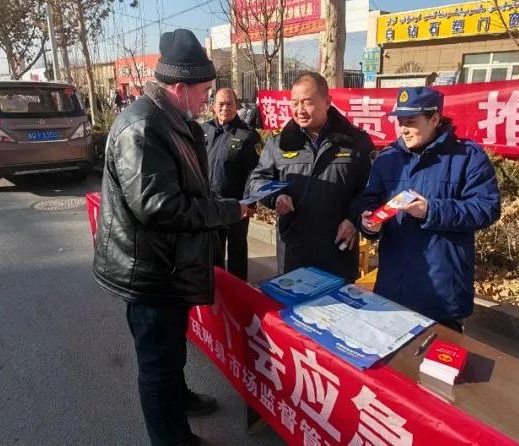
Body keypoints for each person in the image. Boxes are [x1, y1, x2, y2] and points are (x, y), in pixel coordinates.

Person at [92, 29, 250, 446]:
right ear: (179, 89)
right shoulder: (144, 127)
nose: (207, 101)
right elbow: (159, 207)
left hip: (168, 265)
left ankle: (178, 397)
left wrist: (222, 202)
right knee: (157, 363)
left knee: (171, 346)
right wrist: (228, 211)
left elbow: (188, 186)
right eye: (204, 93)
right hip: (150, 271)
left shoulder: (172, 120)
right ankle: (170, 437)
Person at [358, 87, 500, 332]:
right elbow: (369, 200)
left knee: (436, 355)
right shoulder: (388, 158)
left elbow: (487, 208)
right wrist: (369, 222)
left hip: (441, 289)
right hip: (393, 283)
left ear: (434, 119)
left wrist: (432, 210)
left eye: (411, 122)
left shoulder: (467, 156)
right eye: (400, 122)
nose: (403, 129)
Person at [246, 72, 374, 282]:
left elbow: (370, 189)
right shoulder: (279, 144)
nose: (299, 110)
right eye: (295, 103)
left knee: (335, 302)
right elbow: (256, 181)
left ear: (327, 102)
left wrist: (353, 219)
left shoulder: (356, 142)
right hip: (294, 250)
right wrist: (275, 197)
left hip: (338, 249)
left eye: (307, 102)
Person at [201, 88, 262, 280]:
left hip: (237, 205)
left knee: (237, 250)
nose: (225, 108)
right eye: (221, 104)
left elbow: (254, 173)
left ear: (237, 106)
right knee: (213, 251)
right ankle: (217, 289)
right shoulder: (203, 130)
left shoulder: (248, 135)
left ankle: (238, 290)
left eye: (230, 104)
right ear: (213, 106)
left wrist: (249, 203)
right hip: (210, 205)